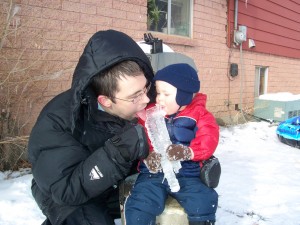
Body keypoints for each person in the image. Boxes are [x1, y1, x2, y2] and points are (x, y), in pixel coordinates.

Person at [28, 30, 156, 225]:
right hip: (62, 189)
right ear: (105, 101)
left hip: (114, 183)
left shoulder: (141, 102)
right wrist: (120, 150)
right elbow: (65, 190)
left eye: (145, 88)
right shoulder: (58, 120)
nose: (146, 99)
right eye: (135, 96)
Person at [124, 63, 220, 225]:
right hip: (153, 174)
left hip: (187, 173)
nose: (159, 98)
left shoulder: (200, 115)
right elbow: (140, 139)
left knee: (202, 200)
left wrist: (188, 152)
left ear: (184, 96)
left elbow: (208, 139)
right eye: (158, 92)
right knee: (140, 202)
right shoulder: (149, 114)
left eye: (166, 94)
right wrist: (148, 157)